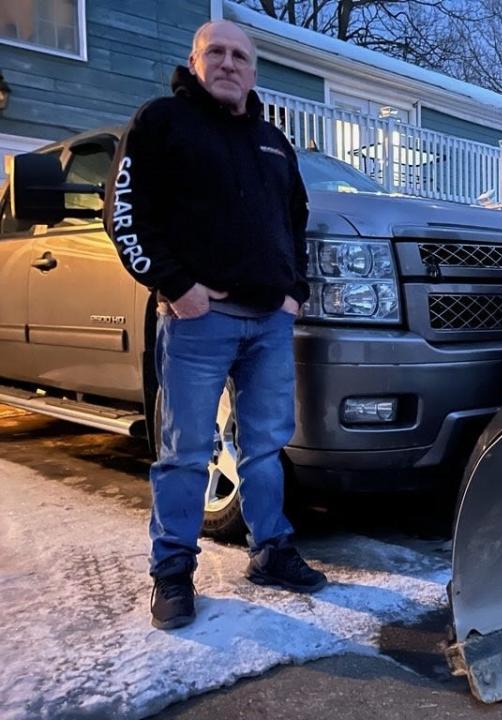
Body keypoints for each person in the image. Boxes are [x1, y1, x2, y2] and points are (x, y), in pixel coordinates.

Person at [104, 20, 327, 631]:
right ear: (195, 60)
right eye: (217, 53)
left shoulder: (274, 143)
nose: (230, 64)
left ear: (254, 71)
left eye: (241, 56)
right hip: (198, 321)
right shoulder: (161, 123)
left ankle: (271, 550)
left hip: (269, 324)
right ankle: (172, 571)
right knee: (185, 452)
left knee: (264, 447)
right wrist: (176, 286)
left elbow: (296, 221)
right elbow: (124, 215)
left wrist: (295, 293)